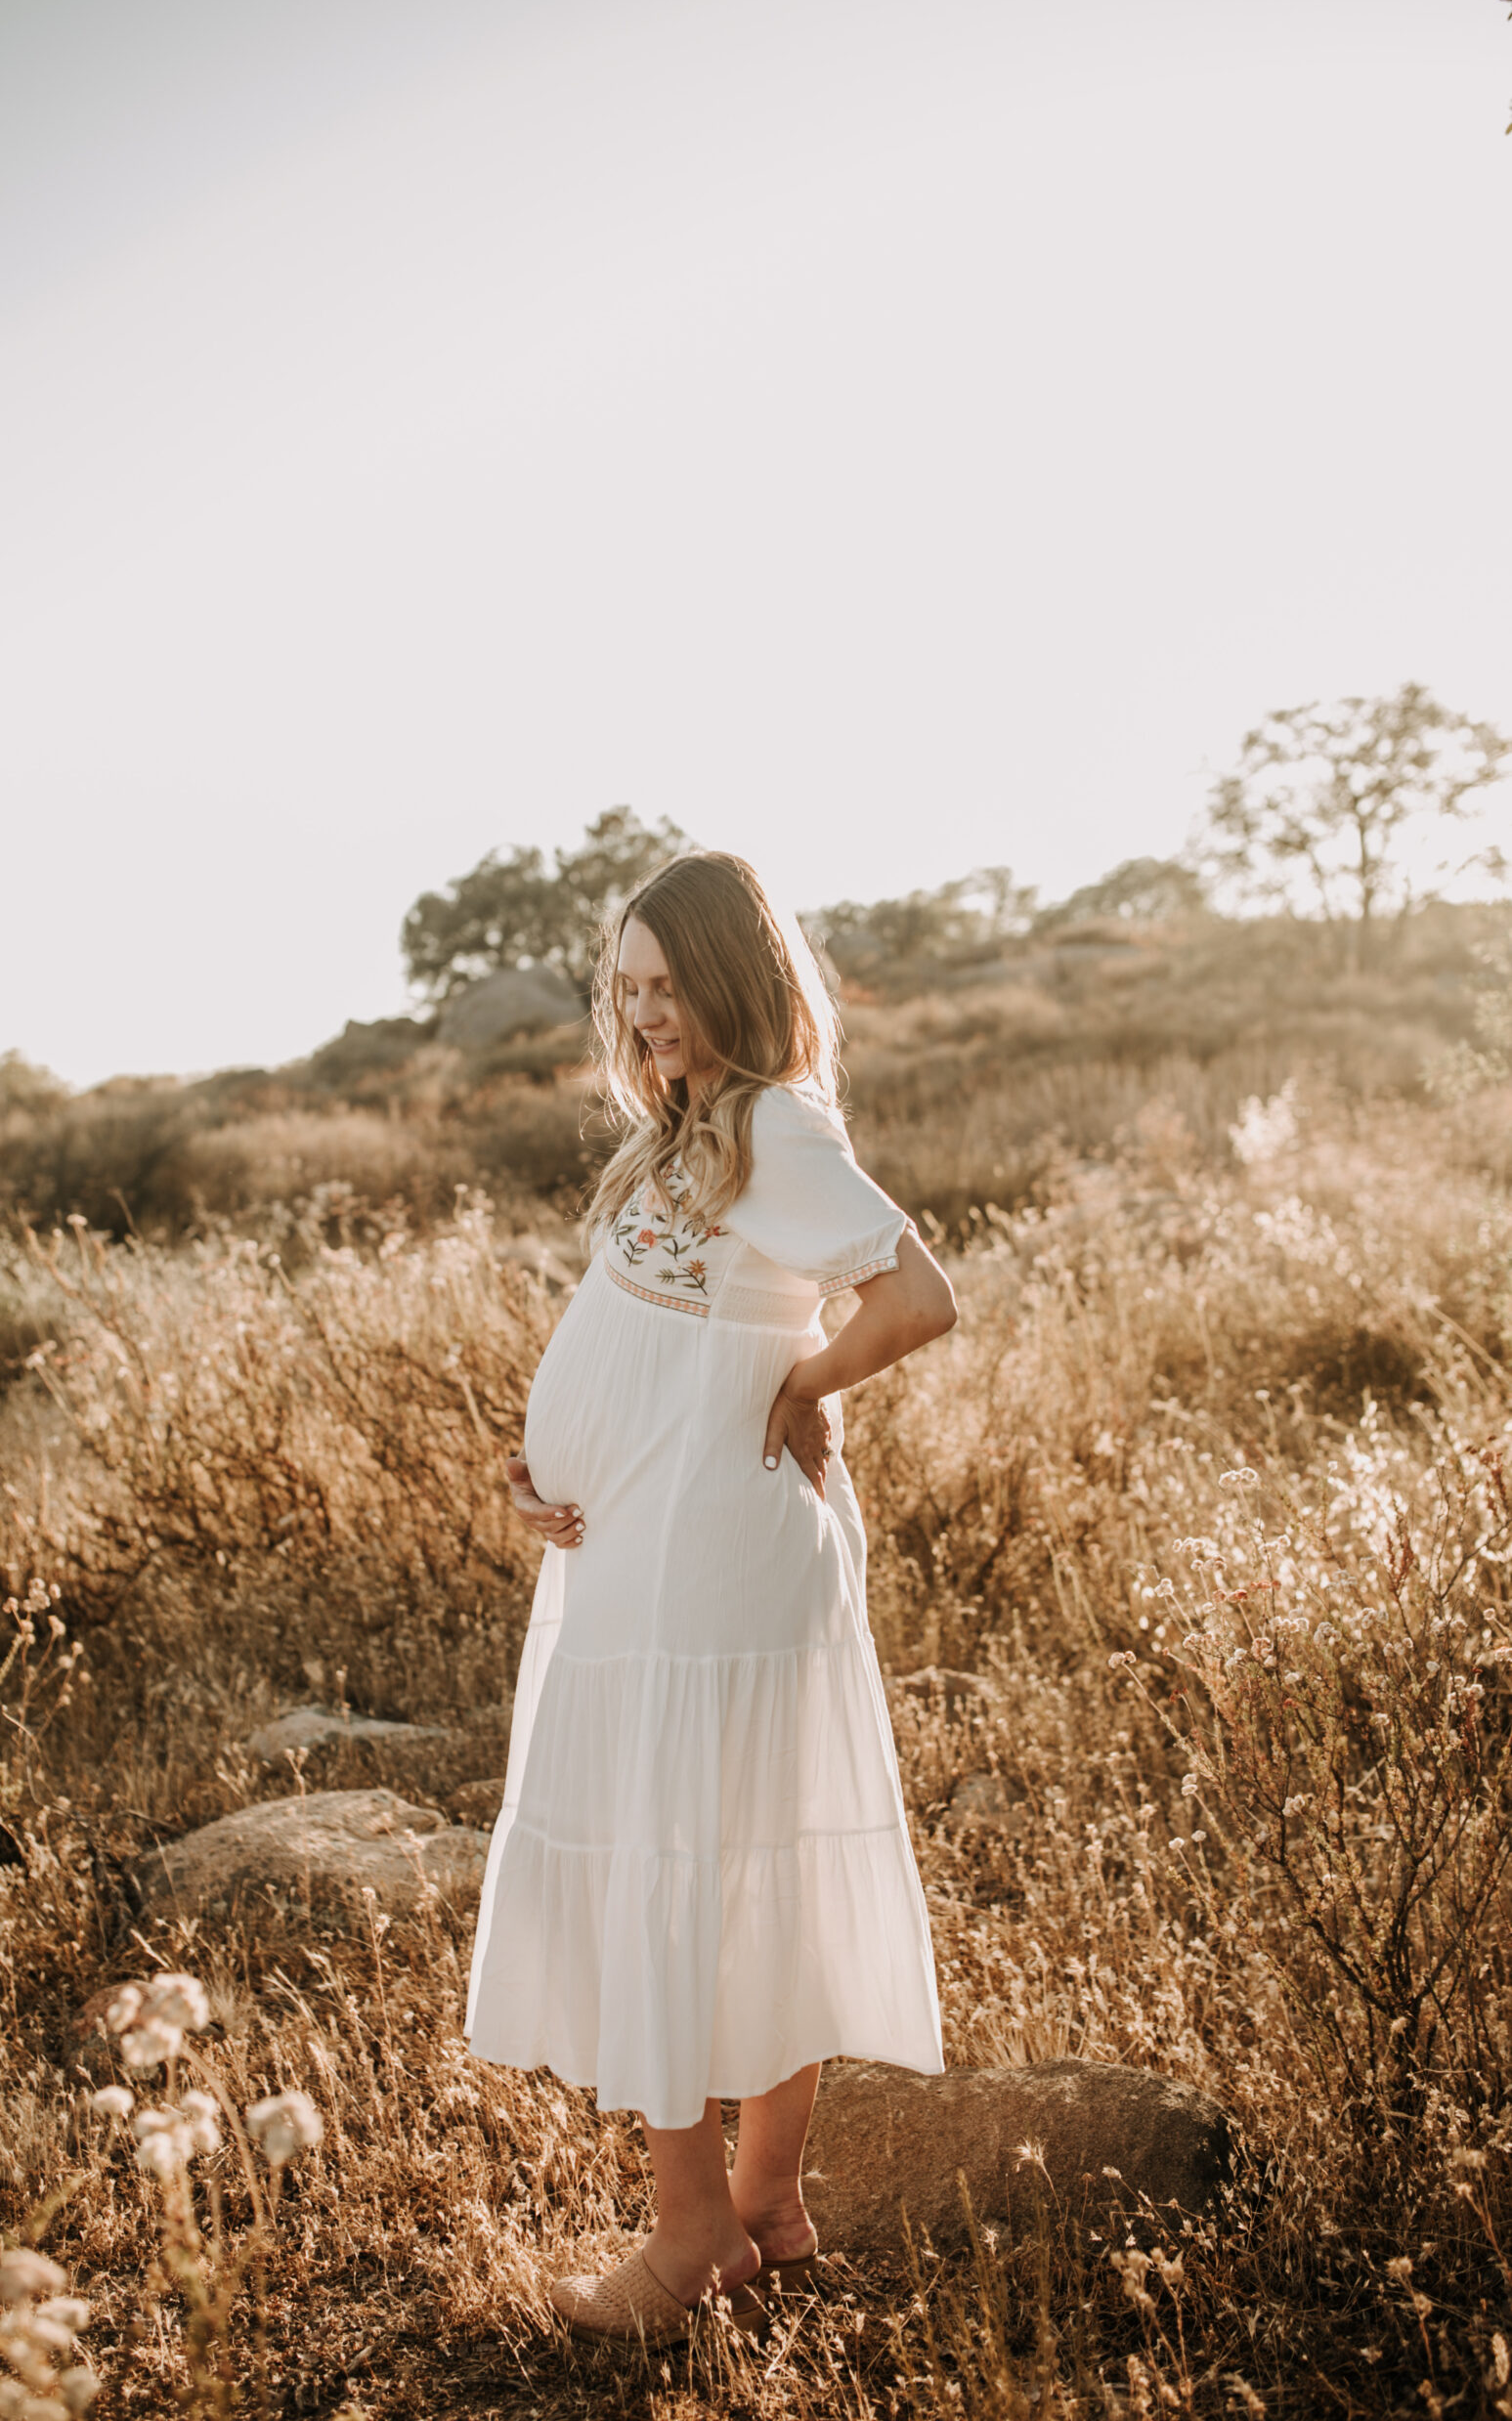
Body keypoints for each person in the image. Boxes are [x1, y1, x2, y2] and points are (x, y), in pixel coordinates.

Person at [464, 848, 957, 2344]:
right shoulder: (681, 1138)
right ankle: (764, 2208)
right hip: (640, 1544)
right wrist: (548, 1457)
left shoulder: (768, 1125)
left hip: (710, 1561)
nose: (645, 1013)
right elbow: (647, 1341)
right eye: (625, 989)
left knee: (669, 1858)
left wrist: (803, 1384)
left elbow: (916, 1294)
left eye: (669, 986)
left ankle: (688, 2242)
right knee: (728, 1856)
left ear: (737, 982)